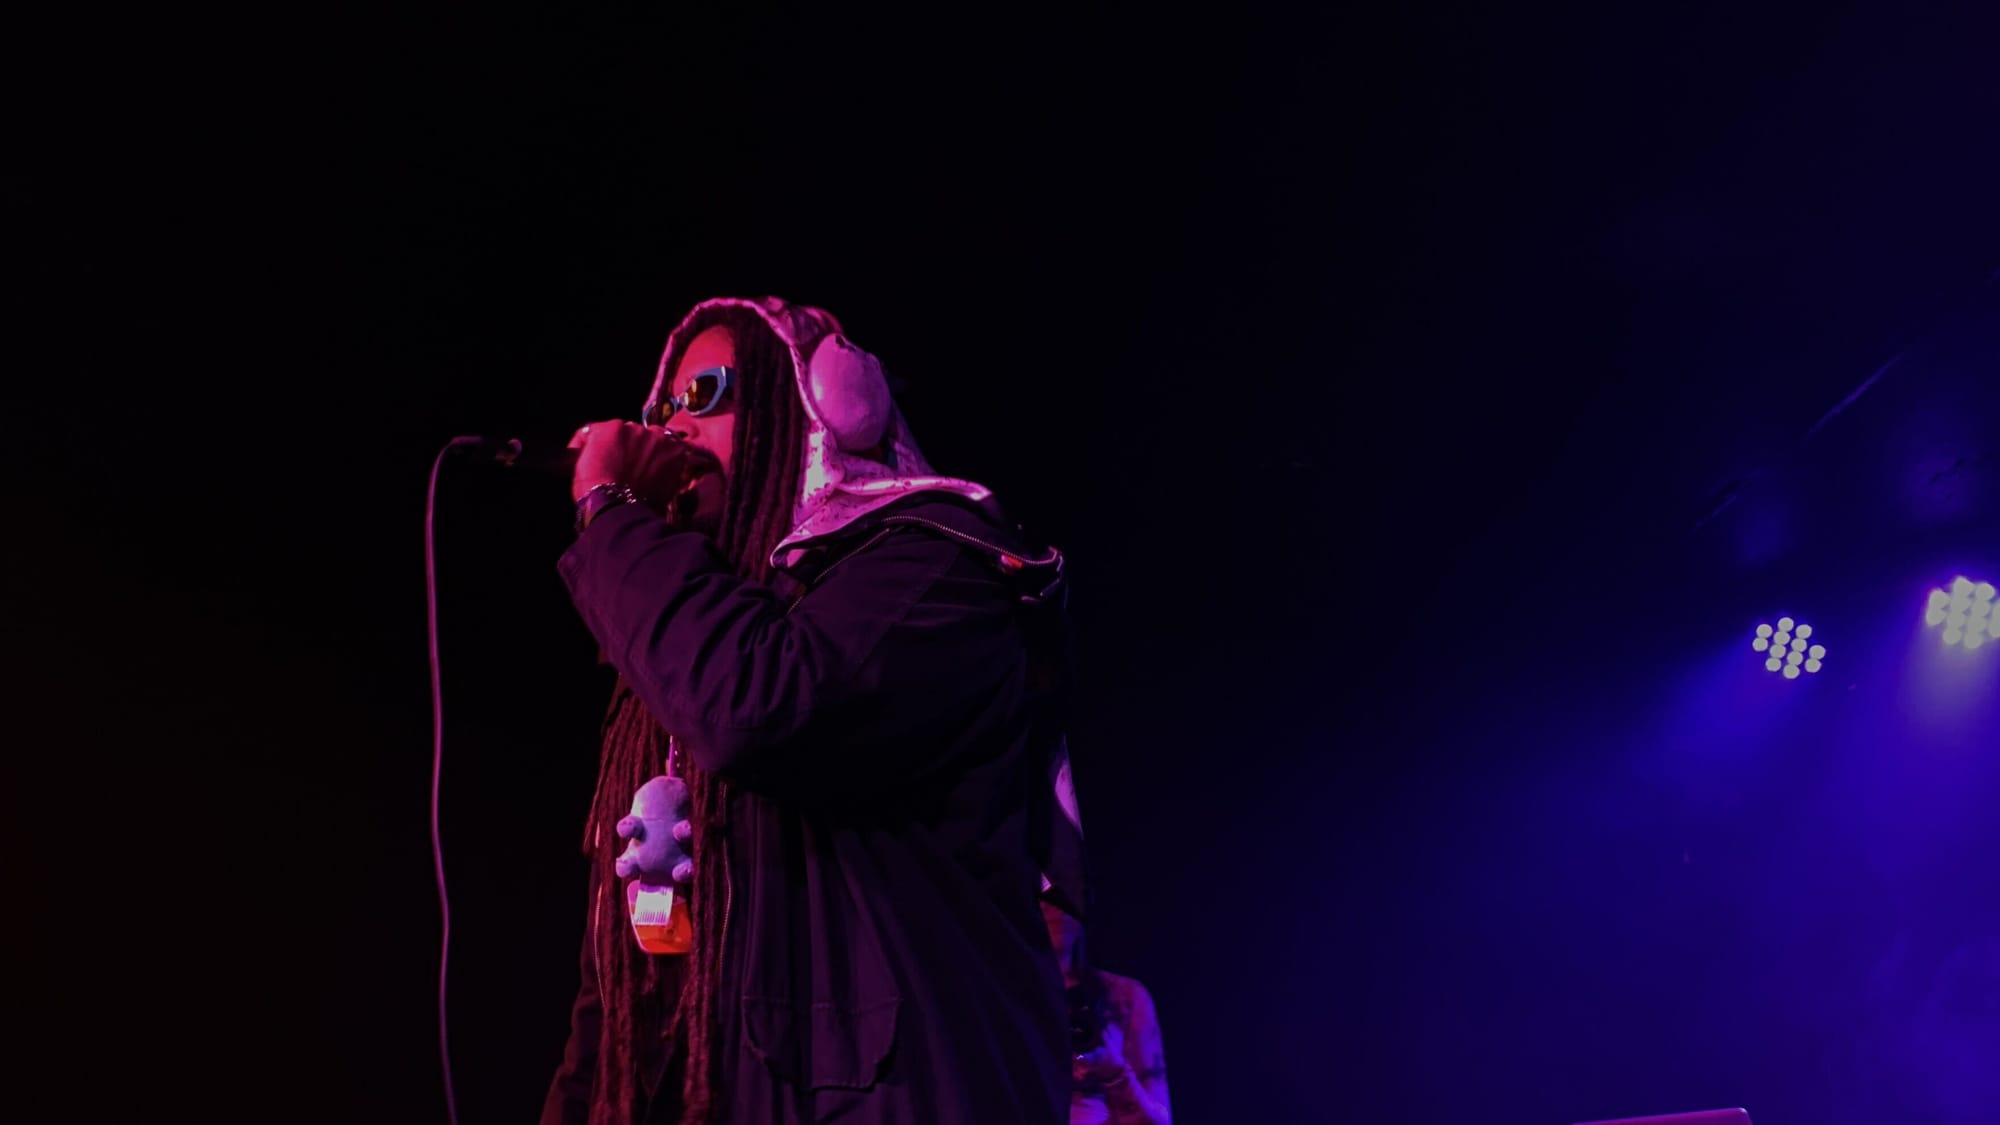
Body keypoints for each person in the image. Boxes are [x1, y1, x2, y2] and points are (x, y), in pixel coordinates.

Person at [541, 296, 1082, 1125]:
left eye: (706, 394)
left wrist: (609, 510)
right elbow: (609, 996)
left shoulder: (933, 564)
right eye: (663, 406)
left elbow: (759, 705)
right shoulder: (688, 652)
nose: (672, 426)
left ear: (819, 403)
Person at [1042, 901, 1171, 1125]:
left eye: (1065, 892)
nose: (1056, 906)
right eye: (1043, 891)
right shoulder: (997, 998)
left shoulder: (1124, 998)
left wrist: (1116, 1074)